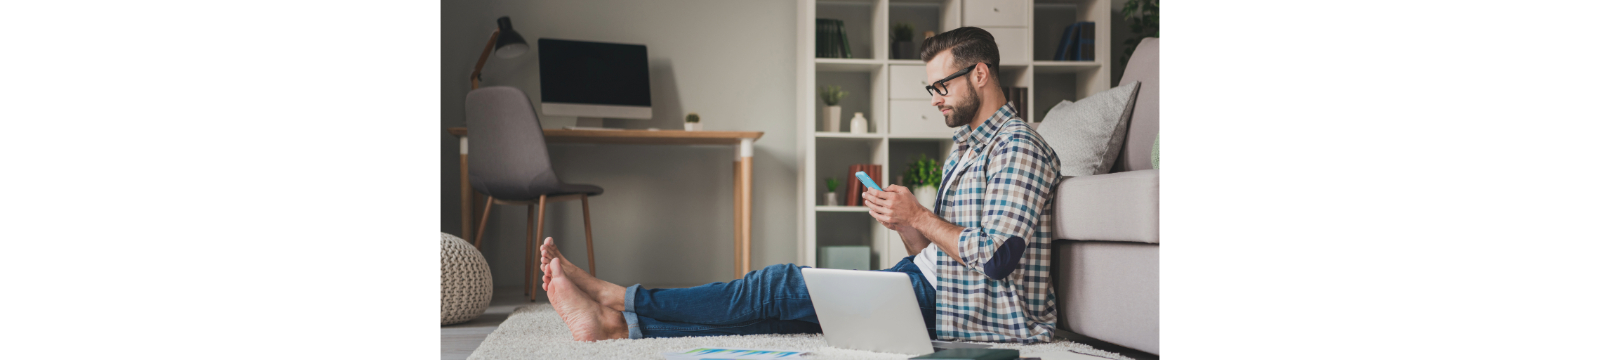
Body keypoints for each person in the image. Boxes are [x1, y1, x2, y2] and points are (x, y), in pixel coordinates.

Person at [540, 27, 1062, 343]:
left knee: (780, 287)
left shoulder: (1017, 147)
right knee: (792, 313)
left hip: (974, 314)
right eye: (930, 88)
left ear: (980, 74)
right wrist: (905, 224)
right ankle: (619, 328)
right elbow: (936, 251)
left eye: (941, 86)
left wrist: (920, 214)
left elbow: (998, 258)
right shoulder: (967, 147)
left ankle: (619, 296)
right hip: (934, 284)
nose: (934, 99)